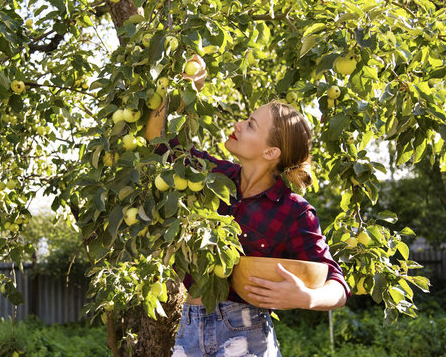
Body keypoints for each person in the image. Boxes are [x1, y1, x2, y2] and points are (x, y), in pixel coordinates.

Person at [145, 55, 350, 357]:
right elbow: (159, 142)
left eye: (251, 124)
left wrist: (306, 297)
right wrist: (187, 88)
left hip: (246, 332)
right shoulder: (213, 176)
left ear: (270, 151)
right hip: (190, 328)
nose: (239, 124)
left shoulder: (293, 211)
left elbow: (337, 285)